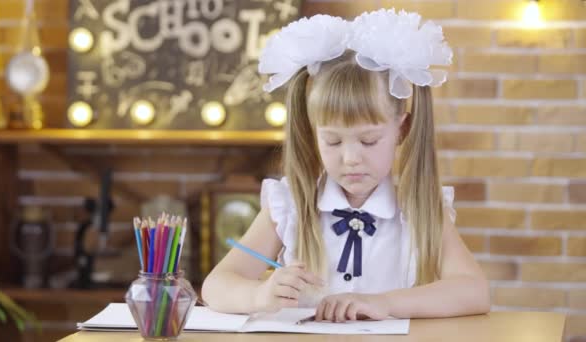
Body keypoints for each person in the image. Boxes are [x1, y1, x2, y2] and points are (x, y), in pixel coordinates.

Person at [202, 8, 490, 322]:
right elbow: (215, 286)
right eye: (333, 141)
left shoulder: (420, 208)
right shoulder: (290, 204)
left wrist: (385, 303)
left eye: (368, 141)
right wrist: (261, 293)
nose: (351, 158)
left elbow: (474, 290)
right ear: (313, 135)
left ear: (401, 130)